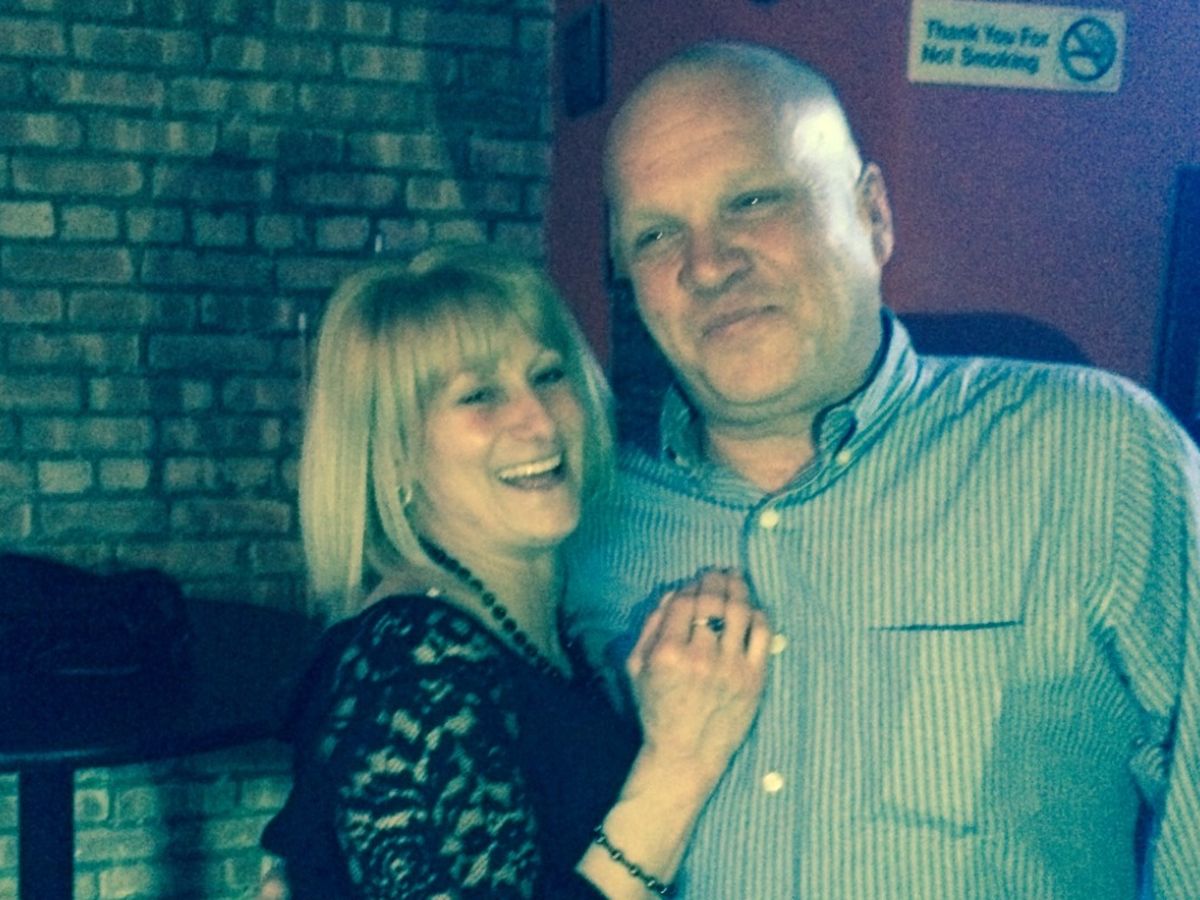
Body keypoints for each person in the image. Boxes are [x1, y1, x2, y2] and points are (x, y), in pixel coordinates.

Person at [564, 41, 1200, 898]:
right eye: (655, 235)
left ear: (873, 215)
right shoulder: (587, 528)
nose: (707, 265)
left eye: (753, 200)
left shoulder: (1095, 454)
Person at [257, 243, 771, 898]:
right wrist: (677, 770)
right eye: (479, 395)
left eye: (548, 375)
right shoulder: (418, 664)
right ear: (395, 452)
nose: (537, 418)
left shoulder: (519, 626)